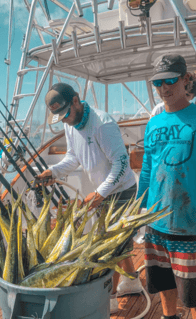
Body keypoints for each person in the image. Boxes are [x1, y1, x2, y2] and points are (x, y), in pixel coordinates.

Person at [36, 82, 142, 314]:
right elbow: (73, 157)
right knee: (118, 243)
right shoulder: (70, 124)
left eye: (66, 114)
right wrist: (53, 172)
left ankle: (110, 299)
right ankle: (132, 280)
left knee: (111, 246)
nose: (65, 120)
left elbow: (122, 164)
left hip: (121, 192)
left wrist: (100, 192)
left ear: (76, 101)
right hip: (103, 192)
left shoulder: (102, 124)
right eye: (60, 117)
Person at [137, 54, 196, 319]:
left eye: (170, 80)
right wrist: (137, 209)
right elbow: (148, 170)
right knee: (163, 283)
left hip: (188, 226)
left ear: (185, 80)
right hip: (154, 223)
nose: (164, 88)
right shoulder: (153, 122)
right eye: (157, 83)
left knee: (195, 295)